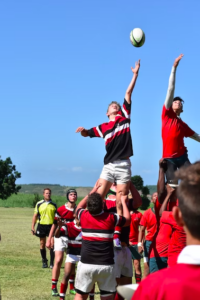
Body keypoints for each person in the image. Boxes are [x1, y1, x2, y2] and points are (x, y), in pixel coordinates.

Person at [76, 60, 141, 210]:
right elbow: (87, 134)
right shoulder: (103, 127)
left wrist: (135, 75)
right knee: (97, 197)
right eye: (113, 106)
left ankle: (117, 232)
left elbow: (128, 93)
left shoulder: (124, 116)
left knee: (121, 200)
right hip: (109, 165)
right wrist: (83, 130)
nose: (115, 106)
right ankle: (88, 221)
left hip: (124, 164)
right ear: (107, 113)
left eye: (117, 106)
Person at [131, 161, 200, 300]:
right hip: (160, 251)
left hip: (169, 256)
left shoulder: (155, 287)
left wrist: (162, 171)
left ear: (178, 215)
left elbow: (163, 197)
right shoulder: (172, 207)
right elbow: (161, 192)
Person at [74, 192, 131, 300]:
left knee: (80, 295)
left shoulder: (83, 215)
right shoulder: (111, 217)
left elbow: (78, 207)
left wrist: (90, 193)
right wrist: (123, 202)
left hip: (86, 264)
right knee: (107, 296)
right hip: (106, 265)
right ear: (103, 205)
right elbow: (127, 220)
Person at [162, 54, 200, 186]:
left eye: (180, 102)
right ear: (170, 105)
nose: (177, 102)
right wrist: (174, 68)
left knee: (195, 182)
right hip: (169, 159)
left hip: (183, 158)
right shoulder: (167, 114)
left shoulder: (183, 125)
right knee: (171, 189)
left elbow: (197, 137)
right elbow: (170, 89)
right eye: (175, 101)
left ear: (182, 109)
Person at [104, 182, 142, 300]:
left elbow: (138, 202)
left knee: (126, 284)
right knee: (114, 283)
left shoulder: (126, 202)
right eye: (114, 182)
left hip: (125, 247)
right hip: (112, 247)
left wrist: (130, 184)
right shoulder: (104, 203)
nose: (118, 183)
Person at [46, 189, 77, 297]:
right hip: (60, 237)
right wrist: (49, 238)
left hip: (72, 238)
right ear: (67, 196)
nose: (73, 196)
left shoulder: (78, 210)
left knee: (72, 262)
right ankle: (54, 286)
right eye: (71, 195)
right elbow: (54, 225)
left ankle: (72, 287)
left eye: (75, 195)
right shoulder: (61, 209)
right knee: (58, 260)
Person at [54, 213, 82, 300]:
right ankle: (62, 297)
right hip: (72, 254)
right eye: (78, 213)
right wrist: (59, 227)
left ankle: (90, 297)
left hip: (83, 255)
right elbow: (57, 235)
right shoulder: (68, 225)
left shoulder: (87, 226)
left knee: (85, 276)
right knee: (66, 275)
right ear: (74, 215)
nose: (81, 215)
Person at [159, 185, 186, 267]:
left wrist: (168, 194)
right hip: (190, 258)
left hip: (175, 258)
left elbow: (161, 213)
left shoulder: (178, 218)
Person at [31, 188, 57, 268]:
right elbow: (35, 216)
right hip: (41, 225)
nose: (48, 194)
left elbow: (56, 217)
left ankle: (52, 263)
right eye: (46, 193)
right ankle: (44, 261)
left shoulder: (54, 205)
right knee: (42, 244)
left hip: (51, 226)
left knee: (52, 244)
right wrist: (32, 227)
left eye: (49, 193)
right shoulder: (39, 204)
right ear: (43, 194)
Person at [137, 192, 159, 278]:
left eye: (158, 195)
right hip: (149, 243)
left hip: (162, 243)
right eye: (154, 195)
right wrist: (139, 244)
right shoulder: (147, 213)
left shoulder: (165, 212)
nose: (156, 196)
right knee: (147, 268)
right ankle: (144, 290)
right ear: (152, 200)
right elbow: (141, 230)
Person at [129, 205, 143, 284]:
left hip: (135, 243)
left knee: (137, 265)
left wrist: (140, 243)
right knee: (126, 268)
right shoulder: (123, 212)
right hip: (125, 243)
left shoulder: (139, 214)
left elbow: (142, 229)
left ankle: (138, 286)